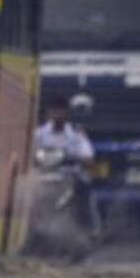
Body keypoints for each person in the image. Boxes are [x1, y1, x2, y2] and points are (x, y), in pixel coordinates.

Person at [36, 97, 98, 232]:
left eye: (60, 111)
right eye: (54, 111)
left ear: (67, 113)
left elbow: (88, 158)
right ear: (48, 113)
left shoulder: (76, 135)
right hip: (45, 177)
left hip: (71, 177)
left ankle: (92, 230)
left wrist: (76, 159)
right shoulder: (39, 134)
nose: (57, 115)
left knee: (85, 192)